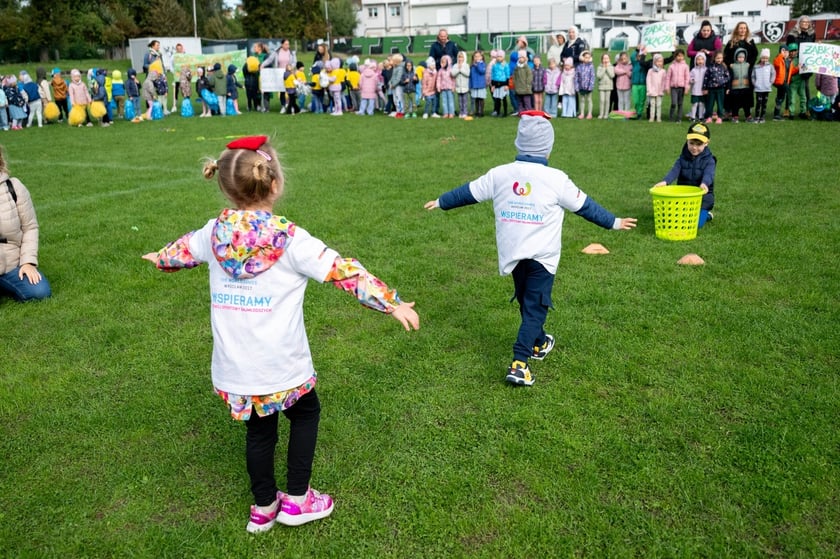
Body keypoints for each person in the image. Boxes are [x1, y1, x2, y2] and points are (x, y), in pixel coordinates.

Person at [142, 135, 419, 533]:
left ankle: (263, 507)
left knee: (259, 430)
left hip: (236, 368)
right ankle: (297, 499)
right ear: (274, 184)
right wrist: (391, 302)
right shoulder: (291, 239)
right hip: (282, 364)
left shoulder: (212, 232)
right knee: (306, 412)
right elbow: (343, 271)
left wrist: (160, 258)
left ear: (223, 184)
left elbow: (180, 252)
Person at [423, 111, 636, 386]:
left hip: (513, 253)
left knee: (528, 301)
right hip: (542, 256)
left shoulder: (499, 174)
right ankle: (520, 363)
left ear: (519, 143)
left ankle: (538, 342)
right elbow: (586, 207)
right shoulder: (556, 179)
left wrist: (441, 201)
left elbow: (468, 192)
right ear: (547, 146)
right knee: (535, 307)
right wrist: (614, 223)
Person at [0, 145, 51, 302]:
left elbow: (30, 228)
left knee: (40, 291)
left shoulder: (13, 187)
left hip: (11, 263)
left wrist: (28, 262)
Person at [653, 122, 716, 227]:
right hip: (684, 197)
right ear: (687, 141)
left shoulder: (709, 160)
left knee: (695, 224)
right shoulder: (683, 158)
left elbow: (709, 174)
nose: (694, 148)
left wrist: (704, 183)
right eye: (691, 143)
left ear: (706, 143)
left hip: (703, 198)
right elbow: (674, 171)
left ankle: (707, 215)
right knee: (673, 219)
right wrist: (665, 181)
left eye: (699, 144)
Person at [786, 15, 816, 107]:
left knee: (805, 85)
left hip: (806, 62)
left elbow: (812, 47)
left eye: (807, 22)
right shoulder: (792, 34)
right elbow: (788, 48)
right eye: (803, 22)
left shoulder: (812, 34)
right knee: (791, 85)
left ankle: (807, 108)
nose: (805, 24)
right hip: (794, 62)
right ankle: (788, 108)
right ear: (799, 23)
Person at [702, 51, 729, 123]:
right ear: (714, 58)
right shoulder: (710, 67)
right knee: (710, 104)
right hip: (711, 89)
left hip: (720, 89)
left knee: (720, 104)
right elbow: (706, 78)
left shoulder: (724, 67)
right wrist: (704, 88)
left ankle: (720, 117)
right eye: (717, 58)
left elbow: (727, 77)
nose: (719, 60)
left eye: (720, 58)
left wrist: (723, 83)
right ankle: (709, 117)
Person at [728, 48, 753, 122]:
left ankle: (748, 116)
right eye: (739, 57)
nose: (741, 59)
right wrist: (729, 88)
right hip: (735, 88)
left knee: (746, 104)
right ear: (736, 57)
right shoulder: (733, 66)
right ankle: (735, 116)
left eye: (742, 57)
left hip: (746, 87)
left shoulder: (747, 65)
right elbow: (730, 77)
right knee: (735, 103)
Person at [772, 45, 796, 120]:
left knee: (780, 98)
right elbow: (776, 64)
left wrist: (799, 68)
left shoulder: (789, 61)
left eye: (787, 52)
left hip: (785, 82)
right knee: (781, 97)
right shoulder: (778, 59)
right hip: (780, 82)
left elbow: (792, 71)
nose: (785, 53)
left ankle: (776, 114)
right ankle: (776, 115)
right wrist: (780, 55)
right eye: (784, 51)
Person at [665, 49, 690, 122]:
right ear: (675, 56)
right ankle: (671, 117)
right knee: (673, 103)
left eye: (681, 56)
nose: (680, 58)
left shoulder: (685, 66)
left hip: (681, 88)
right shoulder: (671, 66)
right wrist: (667, 87)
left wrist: (686, 88)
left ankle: (679, 118)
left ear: (684, 57)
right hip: (673, 88)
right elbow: (668, 77)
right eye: (678, 56)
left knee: (680, 103)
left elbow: (687, 78)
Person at [751, 49, 775, 123]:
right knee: (758, 103)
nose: (764, 60)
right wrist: (755, 83)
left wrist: (770, 82)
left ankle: (762, 117)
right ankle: (757, 116)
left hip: (766, 88)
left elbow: (773, 74)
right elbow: (753, 76)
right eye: (763, 58)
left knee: (764, 103)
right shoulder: (756, 67)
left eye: (766, 58)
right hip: (759, 88)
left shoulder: (770, 66)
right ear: (760, 58)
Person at [645, 54, 667, 122]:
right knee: (652, 104)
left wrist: (662, 89)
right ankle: (652, 117)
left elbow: (664, 81)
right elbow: (648, 80)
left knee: (659, 105)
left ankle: (658, 117)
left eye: (661, 61)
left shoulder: (663, 71)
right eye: (658, 61)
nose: (659, 63)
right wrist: (649, 89)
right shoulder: (650, 71)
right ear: (654, 62)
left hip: (659, 91)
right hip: (652, 90)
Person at [489, 50, 510, 117]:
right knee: (497, 99)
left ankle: (505, 112)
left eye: (500, 56)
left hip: (503, 84)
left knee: (504, 98)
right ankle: (497, 111)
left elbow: (507, 75)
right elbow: (492, 75)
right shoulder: (494, 65)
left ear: (503, 57)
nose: (498, 58)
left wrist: (507, 84)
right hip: (496, 84)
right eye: (497, 56)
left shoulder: (505, 65)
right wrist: (492, 85)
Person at [575, 50, 595, 119]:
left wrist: (591, 86)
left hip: (588, 87)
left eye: (588, 57)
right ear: (582, 58)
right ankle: (582, 113)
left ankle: (589, 113)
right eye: (585, 57)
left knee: (589, 100)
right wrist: (577, 86)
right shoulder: (579, 67)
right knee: (582, 100)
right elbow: (576, 77)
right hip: (581, 86)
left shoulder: (591, 66)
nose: (587, 59)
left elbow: (592, 77)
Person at [451, 51, 471, 119]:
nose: (460, 58)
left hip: (465, 87)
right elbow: (453, 74)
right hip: (458, 87)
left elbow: (467, 74)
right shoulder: (455, 65)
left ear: (464, 57)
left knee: (465, 100)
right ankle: (461, 112)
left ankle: (465, 112)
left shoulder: (466, 65)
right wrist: (458, 69)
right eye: (459, 57)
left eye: (462, 57)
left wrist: (461, 69)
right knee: (459, 101)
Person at [688, 53, 708, 121]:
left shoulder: (706, 70)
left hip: (702, 90)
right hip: (695, 90)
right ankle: (693, 116)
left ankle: (701, 116)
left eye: (702, 59)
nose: (700, 61)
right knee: (695, 104)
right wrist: (692, 80)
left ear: (704, 60)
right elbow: (690, 78)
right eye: (698, 59)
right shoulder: (693, 70)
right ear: (695, 61)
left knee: (702, 104)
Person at [596, 53, 615, 119]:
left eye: (607, 58)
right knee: (602, 100)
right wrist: (604, 68)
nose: (605, 60)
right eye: (604, 58)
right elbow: (599, 76)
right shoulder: (599, 67)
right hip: (601, 86)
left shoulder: (611, 67)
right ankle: (601, 114)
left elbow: (612, 75)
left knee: (607, 100)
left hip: (609, 86)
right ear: (602, 60)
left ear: (609, 59)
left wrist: (607, 68)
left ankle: (606, 114)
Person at [468, 50, 486, 117]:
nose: (477, 58)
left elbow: (482, 71)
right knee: (476, 99)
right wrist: (470, 85)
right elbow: (470, 76)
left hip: (481, 85)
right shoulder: (472, 66)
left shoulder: (482, 64)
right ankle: (477, 111)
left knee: (481, 98)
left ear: (481, 57)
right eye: (475, 56)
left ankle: (481, 112)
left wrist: (478, 64)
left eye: (478, 56)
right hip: (474, 85)